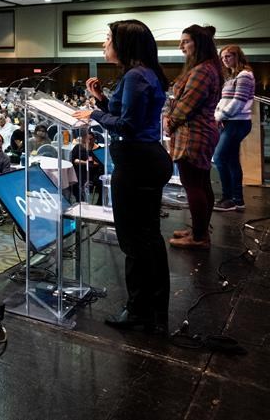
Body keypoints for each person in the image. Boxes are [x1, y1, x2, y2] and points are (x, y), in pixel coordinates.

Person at [72, 19, 173, 335]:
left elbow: (127, 126)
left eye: (107, 38)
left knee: (135, 241)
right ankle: (153, 308)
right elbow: (134, 118)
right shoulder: (145, 73)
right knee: (148, 238)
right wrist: (102, 101)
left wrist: (94, 113)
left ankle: (140, 310)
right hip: (146, 160)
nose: (104, 43)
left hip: (137, 164)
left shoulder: (134, 76)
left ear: (124, 44)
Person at [164, 25, 222, 251]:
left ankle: (198, 238)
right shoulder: (207, 67)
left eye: (186, 41)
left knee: (193, 186)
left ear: (199, 43)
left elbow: (186, 105)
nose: (181, 46)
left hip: (193, 135)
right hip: (199, 132)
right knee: (202, 184)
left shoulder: (203, 71)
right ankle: (200, 230)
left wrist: (169, 121)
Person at [213, 44, 255, 212]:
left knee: (219, 158)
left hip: (237, 122)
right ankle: (236, 199)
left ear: (237, 56)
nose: (225, 60)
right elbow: (225, 101)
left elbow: (238, 102)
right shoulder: (231, 77)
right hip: (229, 121)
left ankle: (228, 197)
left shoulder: (244, 75)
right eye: (223, 57)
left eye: (228, 56)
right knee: (231, 161)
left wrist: (219, 116)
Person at [70, 130, 103, 201]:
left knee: (100, 182)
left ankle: (99, 202)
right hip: (80, 170)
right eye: (87, 139)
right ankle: (79, 200)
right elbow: (73, 160)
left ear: (94, 139)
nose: (89, 141)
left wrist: (91, 163)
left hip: (93, 172)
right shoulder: (78, 147)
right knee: (74, 180)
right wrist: (85, 162)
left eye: (91, 139)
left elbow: (99, 163)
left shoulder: (98, 149)